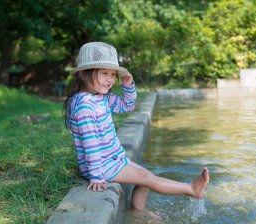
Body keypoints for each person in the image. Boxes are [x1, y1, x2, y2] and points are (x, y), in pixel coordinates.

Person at [63, 42, 209, 211]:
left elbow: (127, 105)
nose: (110, 79)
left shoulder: (101, 97)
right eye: (104, 73)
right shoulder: (85, 107)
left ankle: (138, 215)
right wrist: (96, 176)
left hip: (113, 159)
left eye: (112, 74)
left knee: (146, 179)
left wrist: (128, 85)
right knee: (146, 177)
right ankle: (191, 189)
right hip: (101, 166)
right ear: (83, 74)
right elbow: (90, 144)